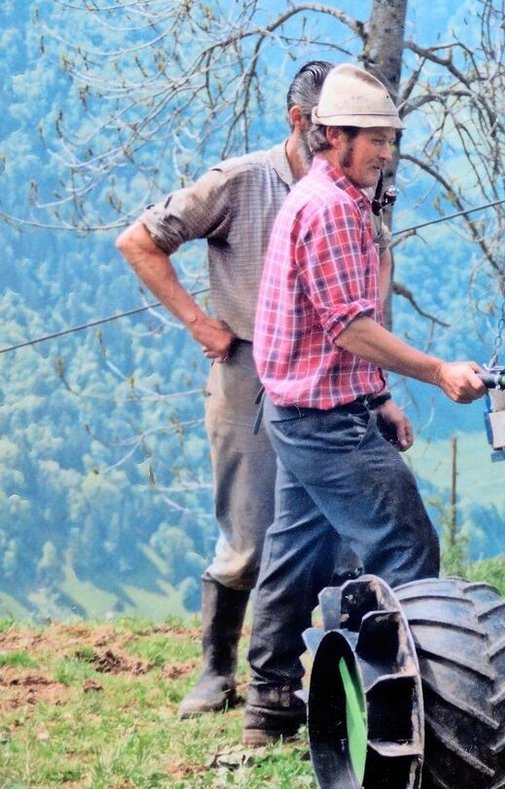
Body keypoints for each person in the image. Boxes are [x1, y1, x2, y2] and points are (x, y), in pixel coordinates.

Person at [244, 63, 488, 746]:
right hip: (320, 421)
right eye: (373, 139)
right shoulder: (328, 210)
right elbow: (348, 326)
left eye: (390, 139)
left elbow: (335, 332)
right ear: (332, 135)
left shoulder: (333, 198)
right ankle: (406, 708)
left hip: (303, 407)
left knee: (296, 552)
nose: (385, 152)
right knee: (406, 544)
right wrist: (437, 370)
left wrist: (377, 396)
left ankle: (270, 704)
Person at [115, 60, 335, 719]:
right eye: (331, 127)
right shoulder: (240, 180)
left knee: (335, 531)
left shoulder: (352, 184)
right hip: (250, 372)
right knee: (251, 527)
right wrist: (197, 322)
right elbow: (139, 240)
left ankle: (311, 674)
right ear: (298, 122)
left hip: (328, 373)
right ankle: (216, 672)